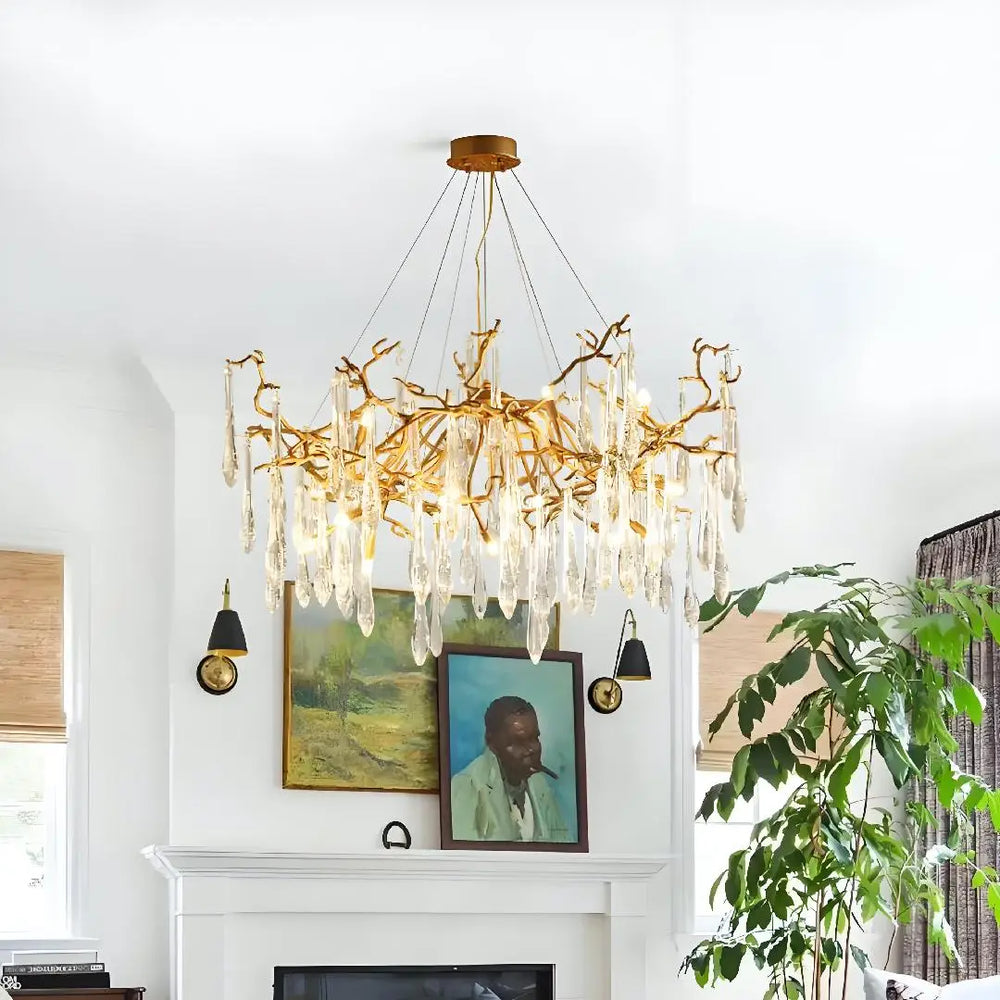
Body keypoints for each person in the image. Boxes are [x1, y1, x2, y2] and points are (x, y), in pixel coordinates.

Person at [450, 695, 570, 843]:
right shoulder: (466, 787)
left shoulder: (539, 784)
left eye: (534, 738)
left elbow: (563, 844)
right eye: (519, 742)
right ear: (491, 742)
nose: (531, 749)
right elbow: (462, 858)